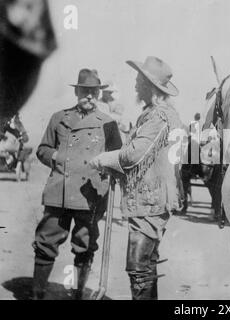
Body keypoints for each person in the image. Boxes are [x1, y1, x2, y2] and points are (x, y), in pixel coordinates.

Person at [90, 56, 184, 300]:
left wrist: (104, 159)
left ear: (149, 86)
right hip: (148, 200)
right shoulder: (155, 114)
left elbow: (133, 155)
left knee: (139, 269)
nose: (134, 85)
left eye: (138, 80)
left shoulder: (159, 117)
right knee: (145, 268)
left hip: (150, 203)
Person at [32, 69, 122, 300]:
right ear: (76, 91)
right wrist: (55, 157)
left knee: (85, 246)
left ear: (99, 94)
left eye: (94, 92)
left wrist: (107, 171)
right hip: (58, 192)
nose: (90, 96)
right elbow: (42, 149)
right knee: (45, 243)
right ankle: (37, 294)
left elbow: (118, 157)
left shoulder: (108, 123)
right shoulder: (59, 118)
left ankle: (78, 294)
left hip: (89, 195)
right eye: (85, 91)